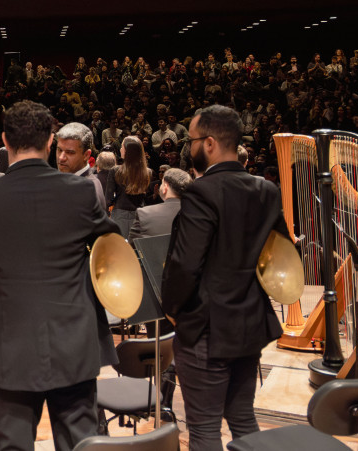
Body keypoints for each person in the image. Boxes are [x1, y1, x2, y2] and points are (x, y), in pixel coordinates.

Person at [0, 101, 120, 451]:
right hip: (74, 340)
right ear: (49, 142)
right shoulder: (81, 192)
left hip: (7, 346)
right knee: (81, 444)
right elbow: (112, 252)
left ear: (4, 140)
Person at [163, 105, 286, 451]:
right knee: (243, 418)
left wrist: (172, 308)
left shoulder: (202, 192)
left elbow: (185, 265)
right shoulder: (266, 190)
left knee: (203, 431)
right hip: (249, 324)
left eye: (192, 140)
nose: (190, 147)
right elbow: (282, 257)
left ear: (211, 143)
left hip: (207, 329)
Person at [105, 136, 152, 238]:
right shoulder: (148, 172)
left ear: (127, 151)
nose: (120, 149)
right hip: (141, 215)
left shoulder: (115, 171)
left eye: (122, 146)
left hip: (120, 215)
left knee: (120, 249)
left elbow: (108, 200)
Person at [129, 167, 191, 241]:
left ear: (165, 187)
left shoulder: (144, 213)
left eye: (161, 183)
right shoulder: (199, 213)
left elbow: (131, 248)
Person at [56, 122, 107, 210]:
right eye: (59, 150)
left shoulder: (89, 192)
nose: (61, 158)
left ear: (86, 155)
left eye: (70, 152)